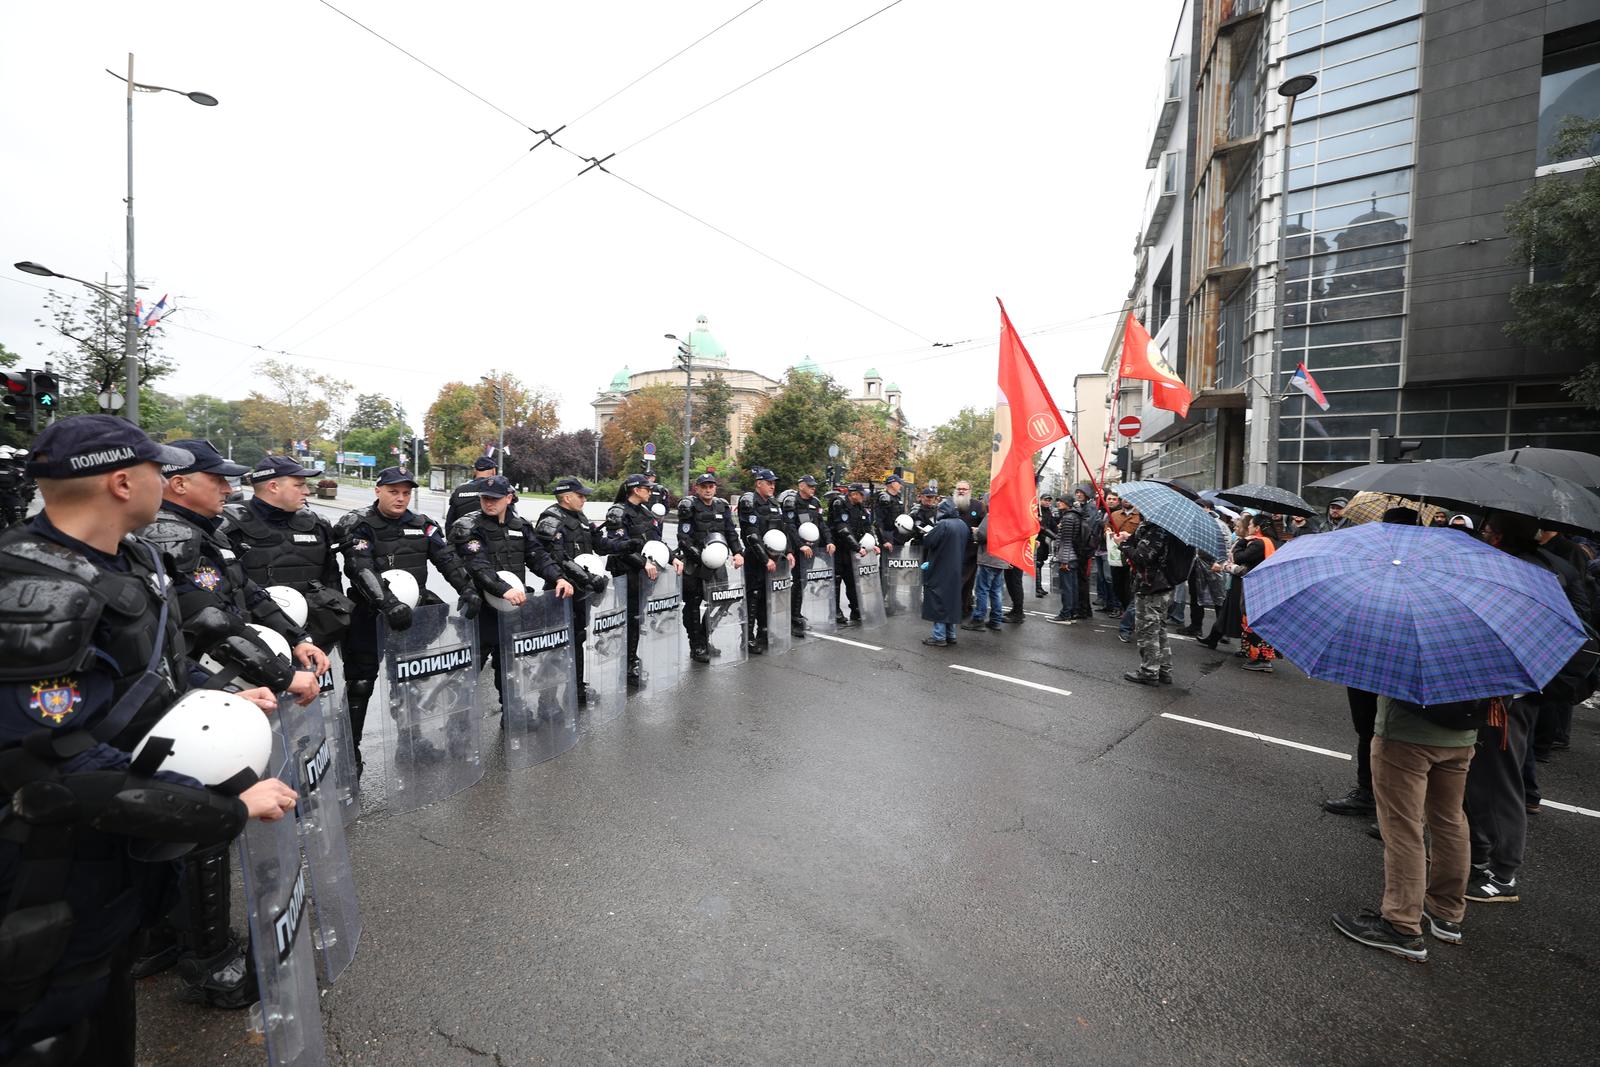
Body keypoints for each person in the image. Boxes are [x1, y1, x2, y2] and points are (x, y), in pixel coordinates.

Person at [0, 416, 298, 1060]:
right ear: (120, 481)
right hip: (57, 862)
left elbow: (152, 662)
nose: (167, 480)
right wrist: (226, 808)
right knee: (60, 1025)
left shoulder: (132, 554)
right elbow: (55, 772)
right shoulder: (34, 591)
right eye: (159, 471)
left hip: (124, 847)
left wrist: (209, 696)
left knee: (111, 1003)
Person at [140, 440, 327, 702]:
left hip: (229, 671)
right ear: (180, 484)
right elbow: (210, 620)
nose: (228, 489)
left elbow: (249, 593)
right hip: (200, 683)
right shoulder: (171, 536)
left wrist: (298, 639)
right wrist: (282, 675)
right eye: (218, 480)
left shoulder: (208, 531)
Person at [1464, 511, 1587, 903]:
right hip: (1528, 686)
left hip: (1507, 691)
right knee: (1484, 776)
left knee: (1498, 781)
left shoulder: (1518, 571)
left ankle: (1503, 874)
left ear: (1499, 535)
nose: (1484, 535)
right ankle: (1480, 856)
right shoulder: (1556, 566)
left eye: (1487, 530)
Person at [337, 466, 478, 770]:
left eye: (406, 492)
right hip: (369, 616)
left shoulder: (423, 525)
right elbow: (359, 567)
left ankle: (411, 743)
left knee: (409, 679)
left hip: (413, 617)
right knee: (360, 684)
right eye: (393, 492)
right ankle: (349, 755)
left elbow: (447, 559)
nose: (401, 498)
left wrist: (468, 588)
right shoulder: (359, 524)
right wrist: (387, 604)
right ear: (378, 490)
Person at [1332, 695, 1487, 962]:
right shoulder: (1475, 651)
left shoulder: (1412, 650)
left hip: (1406, 733)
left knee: (1402, 827)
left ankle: (1401, 923)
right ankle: (1446, 912)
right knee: (1450, 821)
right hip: (1461, 734)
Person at [451, 475, 573, 707]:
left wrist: (559, 578)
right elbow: (478, 566)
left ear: (508, 498)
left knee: (509, 664)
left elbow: (538, 556)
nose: (488, 503)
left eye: (494, 499)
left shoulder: (520, 526)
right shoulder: (469, 526)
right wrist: (503, 589)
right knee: (470, 668)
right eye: (485, 498)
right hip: (482, 609)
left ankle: (513, 712)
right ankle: (458, 723)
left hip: (513, 608)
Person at [221, 454, 353, 650]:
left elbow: (331, 583)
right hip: (253, 645)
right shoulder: (227, 525)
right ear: (273, 486)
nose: (307, 491)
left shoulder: (318, 525)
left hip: (314, 641)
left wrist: (322, 636)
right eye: (299, 485)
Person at [533, 477, 626, 698]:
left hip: (582, 590)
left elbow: (599, 544)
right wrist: (585, 578)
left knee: (578, 637)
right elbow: (556, 557)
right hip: (561, 589)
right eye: (580, 495)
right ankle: (548, 698)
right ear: (566, 497)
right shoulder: (551, 518)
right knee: (557, 642)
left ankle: (576, 688)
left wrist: (624, 546)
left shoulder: (580, 517)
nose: (584, 499)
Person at [605, 473, 665, 686]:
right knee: (629, 617)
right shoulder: (618, 512)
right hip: (626, 572)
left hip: (644, 574)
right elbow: (619, 545)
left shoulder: (645, 511)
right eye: (647, 488)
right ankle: (627, 663)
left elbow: (656, 540)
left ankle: (632, 657)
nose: (650, 491)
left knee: (637, 617)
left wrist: (673, 557)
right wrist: (643, 563)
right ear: (636, 490)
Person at [677, 472, 744, 663]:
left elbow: (731, 532)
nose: (708, 489)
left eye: (711, 486)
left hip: (717, 563)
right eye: (704, 486)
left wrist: (738, 552)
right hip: (695, 564)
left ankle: (705, 638)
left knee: (721, 600)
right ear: (696, 488)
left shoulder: (721, 506)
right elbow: (683, 538)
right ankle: (696, 645)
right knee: (693, 605)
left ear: (715, 488)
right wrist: (700, 557)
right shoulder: (689, 506)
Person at [1123, 519, 1191, 685]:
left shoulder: (1158, 530)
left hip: (1151, 585)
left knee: (1148, 630)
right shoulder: (1175, 527)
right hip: (1165, 584)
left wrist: (1124, 546)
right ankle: (1164, 670)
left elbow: (1143, 556)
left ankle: (1149, 671)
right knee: (1159, 629)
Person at [738, 468, 796, 654]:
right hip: (756, 558)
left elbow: (782, 529)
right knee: (753, 597)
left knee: (767, 596)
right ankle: (748, 638)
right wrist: (765, 559)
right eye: (769, 482)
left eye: (774, 483)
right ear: (758, 483)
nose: (772, 485)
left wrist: (788, 552)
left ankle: (764, 632)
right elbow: (751, 535)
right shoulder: (749, 502)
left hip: (772, 558)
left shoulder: (773, 503)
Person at [780, 474, 833, 638]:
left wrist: (829, 541)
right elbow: (790, 527)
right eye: (810, 486)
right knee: (797, 583)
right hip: (797, 550)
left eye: (814, 486)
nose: (813, 488)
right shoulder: (792, 502)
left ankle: (796, 613)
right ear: (801, 485)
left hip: (811, 549)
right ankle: (791, 618)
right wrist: (800, 545)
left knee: (803, 582)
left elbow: (821, 524)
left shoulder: (815, 503)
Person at [919, 499, 969, 646]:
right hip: (955, 569)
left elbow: (929, 542)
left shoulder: (943, 524)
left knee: (938, 600)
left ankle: (939, 636)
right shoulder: (962, 525)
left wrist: (926, 535)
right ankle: (951, 634)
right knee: (951, 601)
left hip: (940, 568)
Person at [829, 482, 878, 625]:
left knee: (853, 581)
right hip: (838, 548)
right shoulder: (840, 504)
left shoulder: (861, 508)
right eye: (862, 494)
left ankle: (856, 609)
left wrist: (874, 545)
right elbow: (842, 529)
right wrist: (857, 548)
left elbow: (867, 527)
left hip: (851, 550)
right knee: (836, 581)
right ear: (853, 494)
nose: (864, 497)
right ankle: (835, 611)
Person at [962, 513, 1009, 631]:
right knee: (996, 591)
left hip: (988, 558)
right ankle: (995, 620)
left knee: (982, 590)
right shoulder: (1009, 516)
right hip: (1001, 558)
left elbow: (982, 535)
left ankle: (978, 619)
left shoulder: (992, 516)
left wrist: (975, 531)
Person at [952, 480, 984, 616]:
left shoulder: (978, 506)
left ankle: (964, 608)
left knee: (967, 581)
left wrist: (978, 530)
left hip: (970, 550)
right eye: (959, 488)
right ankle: (953, 607)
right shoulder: (949, 504)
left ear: (969, 490)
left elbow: (985, 526)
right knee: (954, 579)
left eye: (964, 489)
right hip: (952, 549)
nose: (961, 491)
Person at [1104, 492, 1138, 618]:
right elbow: (1107, 528)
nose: (1127, 500)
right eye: (1125, 498)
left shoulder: (1140, 516)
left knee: (1129, 585)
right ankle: (1124, 608)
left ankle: (1130, 614)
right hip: (1115, 554)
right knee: (1117, 583)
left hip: (1131, 555)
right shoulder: (1114, 514)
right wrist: (1107, 532)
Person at [445, 456, 500, 526]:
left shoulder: (459, 490)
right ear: (493, 471)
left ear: (475, 471)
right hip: (491, 535)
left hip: (463, 535)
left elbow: (449, 522)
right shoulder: (499, 490)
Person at [1052, 497, 1080, 622]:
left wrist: (1064, 561)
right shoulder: (1074, 516)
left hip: (1068, 557)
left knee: (1067, 588)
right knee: (1072, 587)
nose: (1058, 503)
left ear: (1068, 504)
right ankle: (1073, 612)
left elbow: (1067, 540)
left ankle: (1065, 614)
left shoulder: (1068, 517)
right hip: (1073, 557)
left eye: (1061, 501)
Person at [1033, 493, 1056, 597]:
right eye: (1045, 500)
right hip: (1037, 540)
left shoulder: (1048, 511)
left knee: (1041, 563)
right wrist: (1054, 536)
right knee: (1037, 564)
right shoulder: (1037, 511)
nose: (1047, 502)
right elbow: (1041, 527)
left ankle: (1040, 587)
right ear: (1041, 500)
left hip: (1045, 541)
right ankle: (1037, 588)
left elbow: (1052, 524)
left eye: (1049, 500)